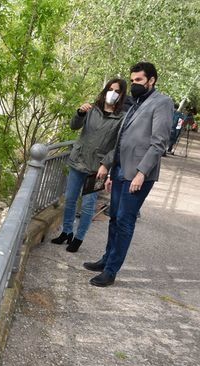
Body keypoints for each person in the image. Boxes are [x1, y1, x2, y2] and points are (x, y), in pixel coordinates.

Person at [85, 62, 174, 287]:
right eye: (132, 80)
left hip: (138, 175)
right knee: (114, 218)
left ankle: (111, 271)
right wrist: (111, 169)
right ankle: (106, 260)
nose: (134, 84)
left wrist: (141, 173)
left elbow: (159, 143)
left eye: (139, 81)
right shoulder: (135, 104)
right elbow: (122, 139)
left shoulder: (162, 103)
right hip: (121, 170)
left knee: (124, 221)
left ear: (151, 80)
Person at [51, 78, 127, 252]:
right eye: (110, 89)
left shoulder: (121, 118)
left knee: (87, 205)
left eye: (117, 91)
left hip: (97, 169)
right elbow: (73, 126)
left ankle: (79, 238)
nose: (112, 93)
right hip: (77, 161)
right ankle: (67, 232)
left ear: (121, 95)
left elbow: (118, 146)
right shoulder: (92, 110)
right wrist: (79, 113)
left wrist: (105, 164)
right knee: (70, 199)